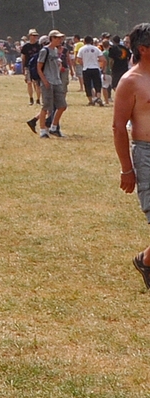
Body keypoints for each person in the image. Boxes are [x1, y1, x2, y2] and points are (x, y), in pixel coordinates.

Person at [107, 24, 150, 286]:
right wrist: (127, 168)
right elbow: (118, 126)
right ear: (143, 49)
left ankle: (146, 261)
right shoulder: (130, 81)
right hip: (146, 154)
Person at [32, 30, 70, 137]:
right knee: (46, 107)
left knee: (62, 106)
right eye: (57, 38)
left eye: (60, 38)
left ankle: (54, 127)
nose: (60, 40)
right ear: (52, 38)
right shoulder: (45, 50)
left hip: (57, 81)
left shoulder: (55, 50)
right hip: (48, 81)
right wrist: (44, 80)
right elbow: (39, 67)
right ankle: (43, 130)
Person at [80, 36, 107, 107]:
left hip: (86, 69)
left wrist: (84, 63)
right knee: (97, 84)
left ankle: (90, 100)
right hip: (95, 68)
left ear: (84, 41)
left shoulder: (82, 49)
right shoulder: (96, 48)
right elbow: (103, 59)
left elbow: (78, 59)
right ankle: (98, 97)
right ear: (92, 41)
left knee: (87, 85)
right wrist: (97, 61)